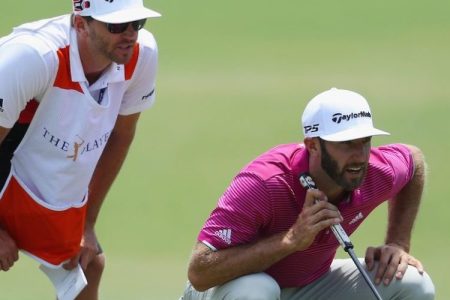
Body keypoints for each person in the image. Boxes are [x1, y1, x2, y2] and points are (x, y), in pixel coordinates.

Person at [181, 88, 435, 300]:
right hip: (228, 288)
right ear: (312, 145)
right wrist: (291, 240)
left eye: (364, 141)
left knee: (414, 282)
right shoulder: (264, 183)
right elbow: (200, 273)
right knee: (257, 290)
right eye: (346, 144)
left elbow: (415, 161)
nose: (359, 156)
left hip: (310, 285)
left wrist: (397, 244)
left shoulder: (376, 172)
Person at [0, 0, 160, 299]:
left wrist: (87, 223)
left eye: (137, 23)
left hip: (22, 161)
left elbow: (120, 136)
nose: (129, 34)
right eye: (116, 25)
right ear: (80, 23)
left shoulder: (141, 56)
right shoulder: (34, 57)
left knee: (87, 265)